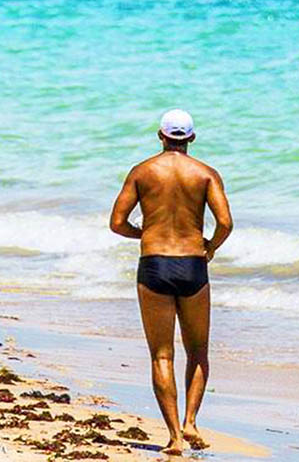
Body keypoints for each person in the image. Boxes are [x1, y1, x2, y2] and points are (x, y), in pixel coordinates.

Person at [108, 109, 233, 455]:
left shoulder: (142, 172)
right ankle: (191, 421)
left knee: (161, 355)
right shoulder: (206, 174)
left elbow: (117, 223)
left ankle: (174, 437)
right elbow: (225, 223)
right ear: (191, 138)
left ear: (160, 136)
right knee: (198, 351)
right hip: (193, 265)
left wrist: (145, 234)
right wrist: (209, 248)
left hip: (154, 265)